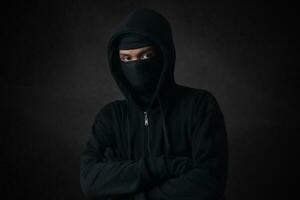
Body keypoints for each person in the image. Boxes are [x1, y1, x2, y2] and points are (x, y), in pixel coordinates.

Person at [80, 8, 228, 200]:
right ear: (117, 63)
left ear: (164, 54)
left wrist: (130, 191)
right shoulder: (110, 118)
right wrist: (170, 167)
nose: (136, 66)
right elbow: (90, 181)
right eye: (126, 58)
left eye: (146, 56)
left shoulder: (200, 106)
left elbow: (208, 182)